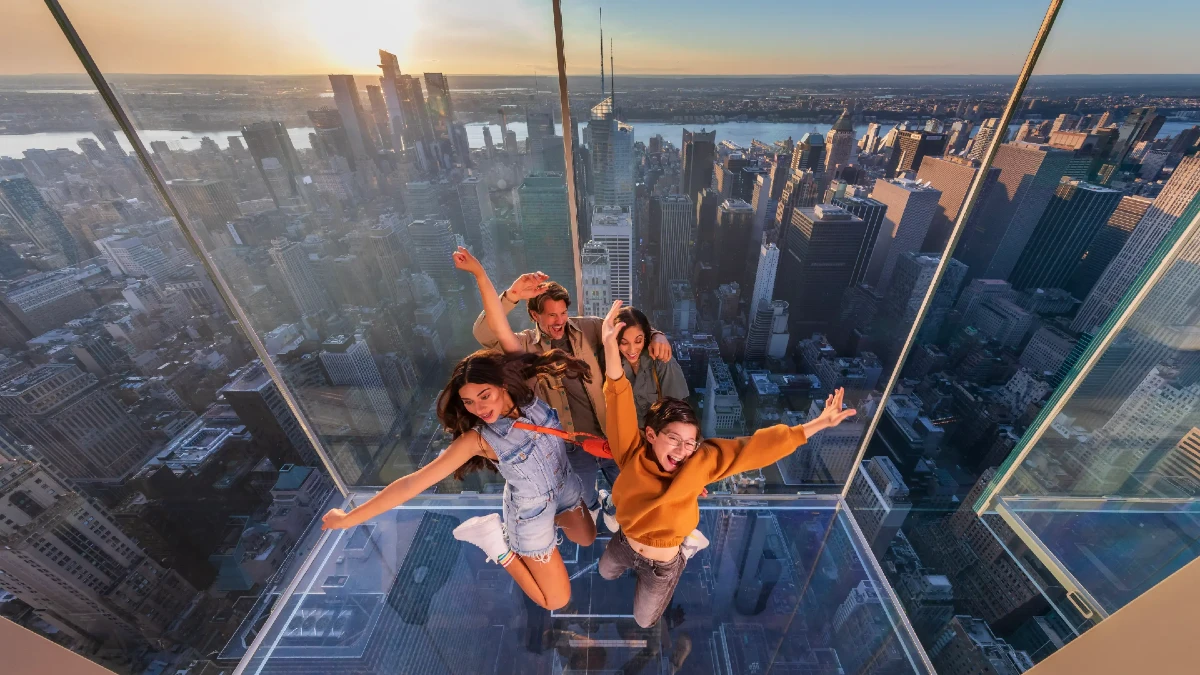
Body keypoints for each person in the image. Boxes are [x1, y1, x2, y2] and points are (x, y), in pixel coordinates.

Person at [320, 250, 598, 610]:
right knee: (555, 600)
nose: (480, 408)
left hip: (563, 485)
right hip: (529, 513)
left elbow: (498, 326)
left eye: (484, 396)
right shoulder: (479, 439)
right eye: (469, 403)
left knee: (588, 538)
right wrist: (348, 519)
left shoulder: (525, 391)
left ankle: (551, 532)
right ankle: (497, 546)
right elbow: (411, 483)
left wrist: (481, 275)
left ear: (502, 384)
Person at [596, 300, 857, 628]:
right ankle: (643, 549)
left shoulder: (699, 462)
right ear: (650, 434)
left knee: (645, 620)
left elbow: (755, 448)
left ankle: (683, 554)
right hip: (626, 540)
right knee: (604, 571)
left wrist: (816, 425)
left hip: (662, 563)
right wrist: (609, 346)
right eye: (674, 439)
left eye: (690, 442)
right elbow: (617, 395)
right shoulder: (631, 451)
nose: (682, 450)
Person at [473, 271, 673, 520]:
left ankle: (613, 507)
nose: (559, 321)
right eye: (551, 315)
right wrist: (511, 296)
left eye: (563, 313)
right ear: (535, 315)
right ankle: (596, 506)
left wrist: (656, 335)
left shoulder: (588, 327)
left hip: (612, 433)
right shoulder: (524, 345)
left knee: (632, 488)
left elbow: (630, 328)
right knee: (582, 495)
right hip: (571, 445)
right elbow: (484, 334)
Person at [614, 307, 689, 426]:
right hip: (625, 436)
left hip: (657, 435)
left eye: (638, 341)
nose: (632, 349)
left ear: (645, 337)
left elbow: (678, 411)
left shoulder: (660, 361)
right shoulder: (612, 363)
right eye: (624, 343)